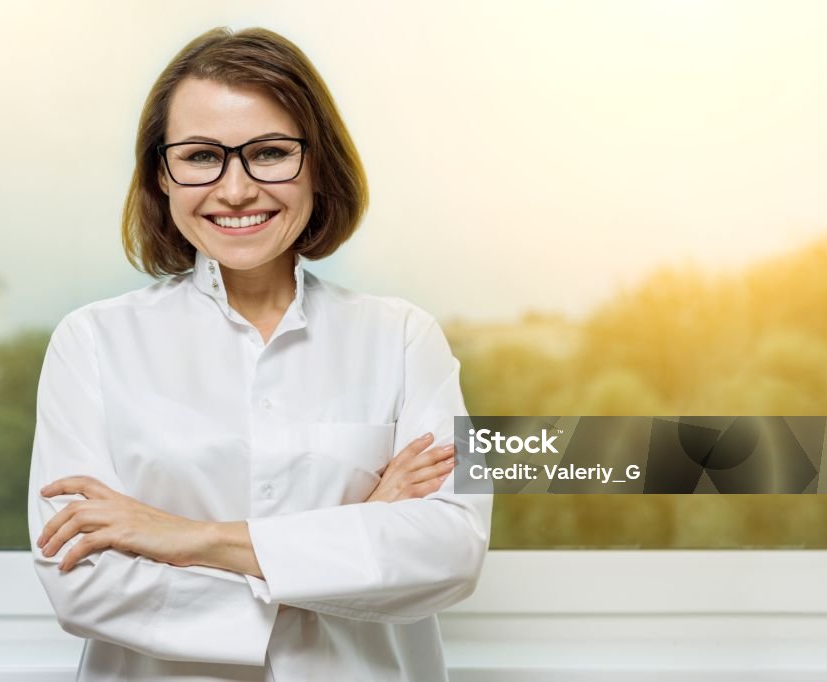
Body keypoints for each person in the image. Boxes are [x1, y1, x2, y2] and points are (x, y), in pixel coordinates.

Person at [27, 26, 492, 682]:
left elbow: (451, 551)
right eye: (200, 156)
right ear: (162, 174)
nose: (237, 189)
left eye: (270, 152)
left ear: (318, 164)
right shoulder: (91, 342)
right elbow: (83, 582)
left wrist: (188, 538)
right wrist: (356, 535)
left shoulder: (407, 337)